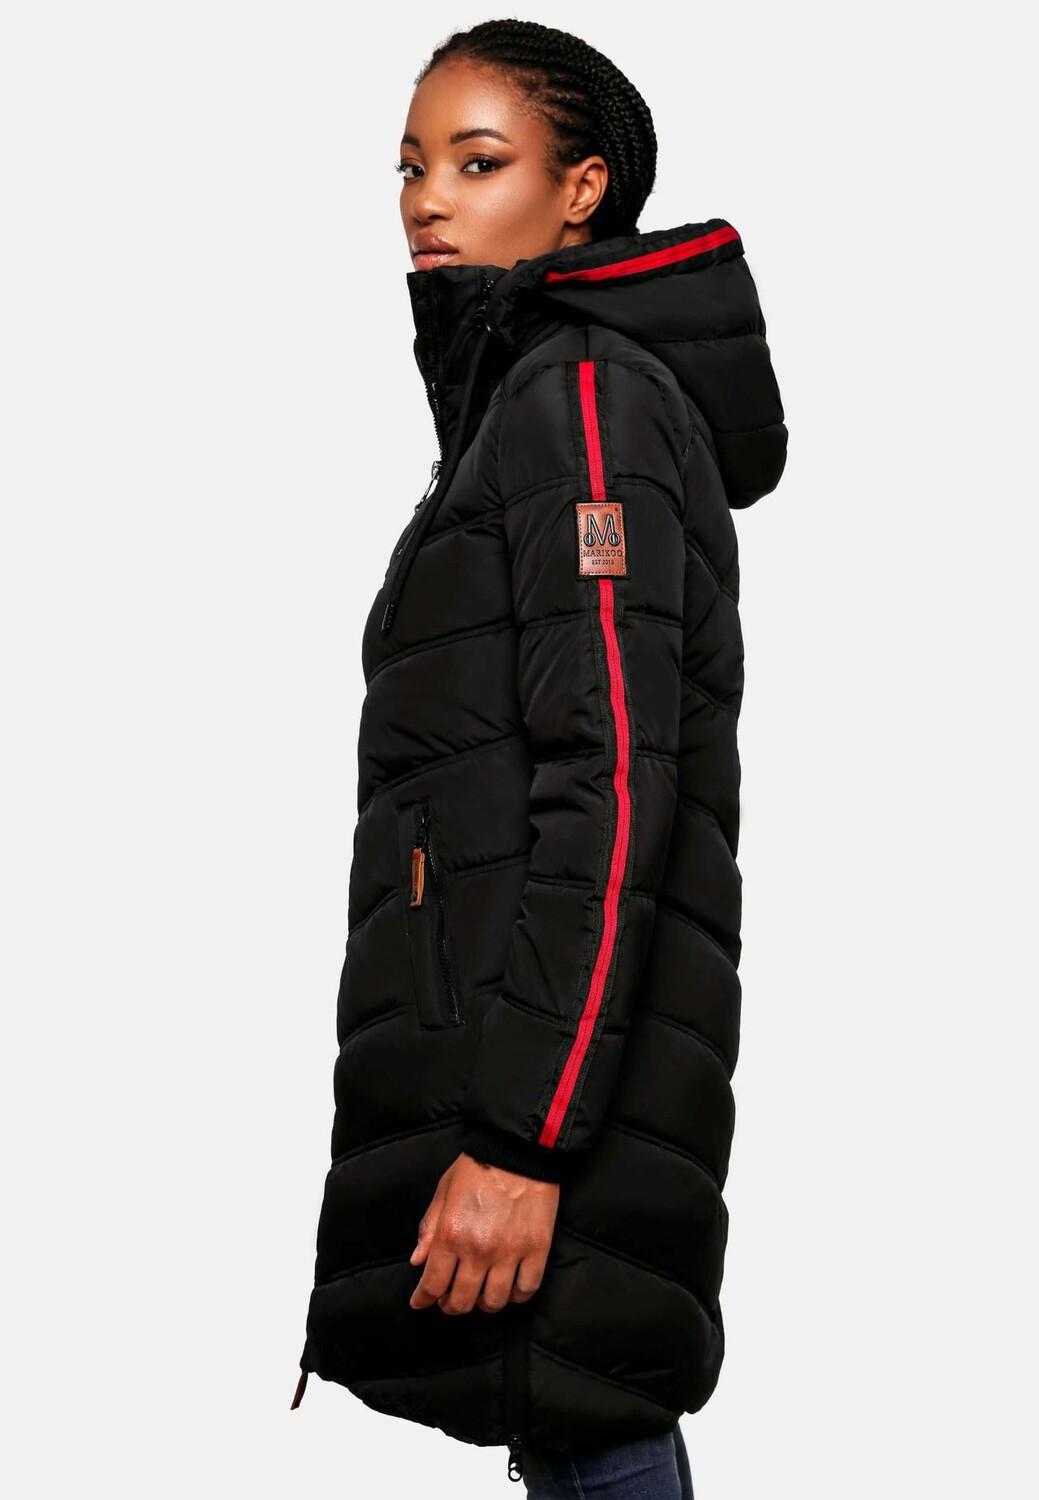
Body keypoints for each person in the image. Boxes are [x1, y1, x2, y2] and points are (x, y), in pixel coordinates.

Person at [291, 20, 787, 1497]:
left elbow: (616, 779)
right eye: (411, 167)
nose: (428, 200)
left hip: (551, 1086)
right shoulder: (534, 402)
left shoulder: (584, 401)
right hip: (527, 1053)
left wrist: (525, 1142)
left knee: (595, 1430)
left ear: (582, 191)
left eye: (478, 161)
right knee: (580, 1428)